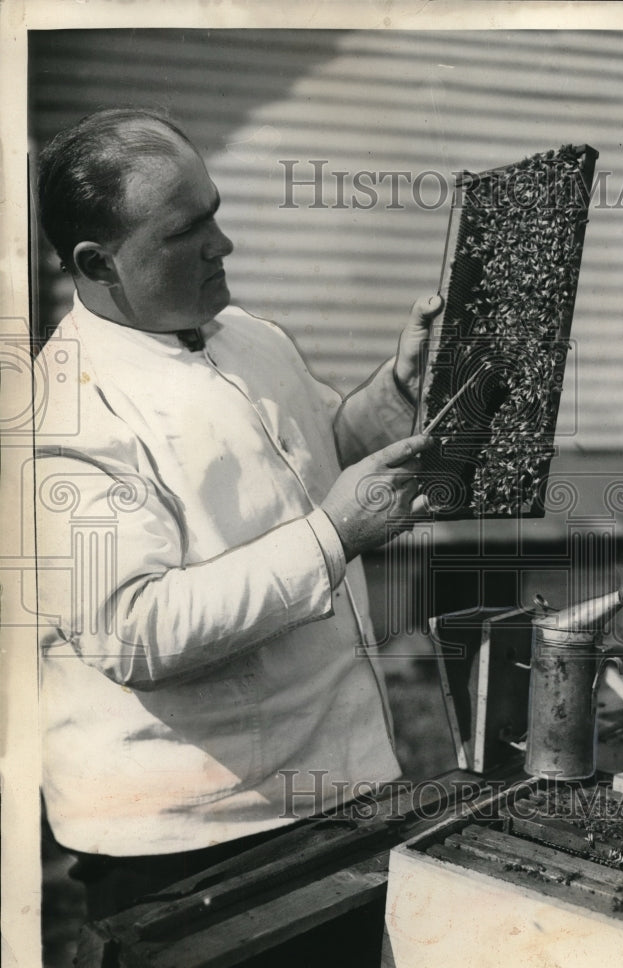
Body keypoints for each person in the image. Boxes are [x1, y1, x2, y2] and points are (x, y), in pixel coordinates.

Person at [34, 107, 441, 920]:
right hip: (191, 840)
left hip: (339, 783)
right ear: (97, 261)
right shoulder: (60, 416)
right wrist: (335, 536)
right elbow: (134, 630)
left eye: (215, 212)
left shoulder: (244, 335)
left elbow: (323, 448)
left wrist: (397, 388)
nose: (224, 246)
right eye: (187, 231)